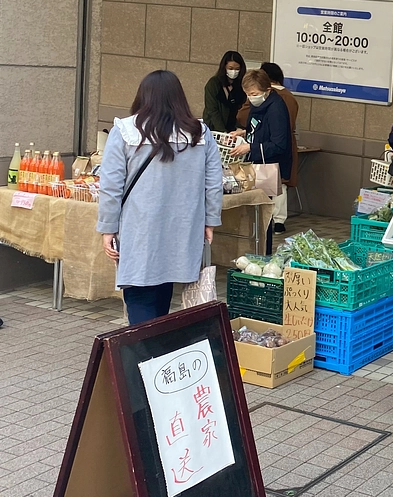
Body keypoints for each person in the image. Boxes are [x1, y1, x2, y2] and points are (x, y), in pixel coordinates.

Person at [97, 70, 223, 325]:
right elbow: (213, 183)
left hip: (139, 229)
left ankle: (144, 355)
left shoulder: (124, 131)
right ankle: (157, 350)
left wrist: (107, 228)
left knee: (140, 296)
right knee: (165, 287)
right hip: (183, 227)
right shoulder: (200, 133)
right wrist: (210, 221)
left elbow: (110, 187)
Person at [236, 62, 299, 233]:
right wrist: (244, 132)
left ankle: (274, 226)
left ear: (268, 89)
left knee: (266, 208)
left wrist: (250, 147)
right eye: (248, 94)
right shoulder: (262, 105)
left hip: (269, 164)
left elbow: (279, 143)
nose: (251, 98)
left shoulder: (276, 108)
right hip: (260, 161)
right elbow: (260, 128)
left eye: (254, 94)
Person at [202, 51, 247, 133]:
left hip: (234, 129)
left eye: (237, 69)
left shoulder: (242, 84)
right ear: (224, 67)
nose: (234, 71)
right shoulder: (213, 83)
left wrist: (239, 128)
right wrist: (222, 131)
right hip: (214, 128)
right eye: (230, 68)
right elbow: (212, 110)